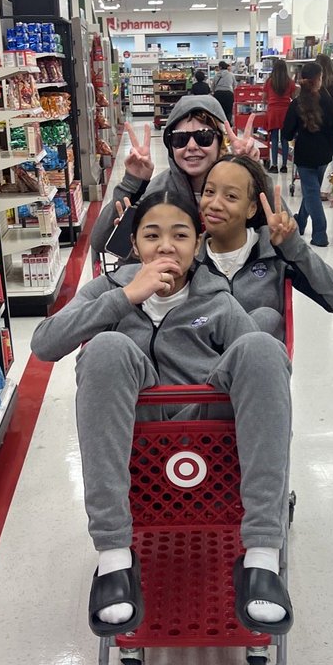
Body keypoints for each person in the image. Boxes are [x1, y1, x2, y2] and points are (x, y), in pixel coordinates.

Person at [31, 192, 293, 638]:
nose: (166, 246)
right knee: (108, 348)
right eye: (152, 235)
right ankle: (114, 560)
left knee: (263, 347)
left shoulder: (219, 300)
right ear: (135, 244)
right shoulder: (107, 291)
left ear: (198, 245)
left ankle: (262, 559)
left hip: (211, 441)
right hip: (136, 440)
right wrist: (125, 298)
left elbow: (264, 373)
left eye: (180, 235)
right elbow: (44, 344)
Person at [198, 154, 333, 337]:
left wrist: (293, 247)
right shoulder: (189, 260)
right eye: (209, 192)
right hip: (204, 363)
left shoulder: (273, 255)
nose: (215, 204)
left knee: (266, 318)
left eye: (231, 196)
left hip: (262, 361)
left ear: (252, 209)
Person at [90, 96, 260, 257]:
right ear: (171, 148)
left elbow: (278, 229)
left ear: (220, 142)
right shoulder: (159, 191)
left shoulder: (238, 187)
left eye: (204, 137)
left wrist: (251, 172)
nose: (192, 146)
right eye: (180, 139)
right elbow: (100, 242)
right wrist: (131, 183)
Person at [282, 62, 333, 248]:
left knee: (311, 192)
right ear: (319, 79)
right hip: (324, 154)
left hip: (305, 155)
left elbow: (287, 133)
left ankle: (320, 233)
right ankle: (301, 222)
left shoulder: (297, 103)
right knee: (311, 192)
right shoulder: (328, 101)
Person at [263, 58, 294, 173]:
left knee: (274, 139)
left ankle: (274, 165)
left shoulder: (269, 81)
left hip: (273, 112)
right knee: (285, 139)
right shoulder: (289, 82)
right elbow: (293, 96)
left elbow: (264, 98)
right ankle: (284, 165)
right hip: (286, 112)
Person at [211, 60, 236, 124]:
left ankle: (220, 125)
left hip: (218, 94)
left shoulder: (216, 75)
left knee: (219, 111)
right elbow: (235, 86)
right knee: (228, 111)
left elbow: (212, 87)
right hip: (228, 94)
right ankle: (229, 127)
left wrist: (214, 92)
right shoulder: (231, 75)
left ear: (220, 67)